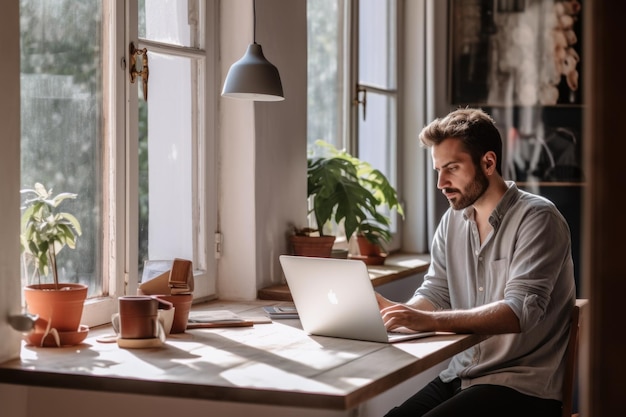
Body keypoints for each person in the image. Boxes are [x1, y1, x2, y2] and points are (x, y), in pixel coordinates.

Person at [377, 108, 576, 417]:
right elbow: (436, 294)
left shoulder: (539, 219)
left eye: (452, 168)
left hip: (522, 385)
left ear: (488, 162)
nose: (441, 182)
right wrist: (393, 312)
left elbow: (519, 312)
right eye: (438, 170)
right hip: (462, 375)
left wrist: (428, 322)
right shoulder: (452, 221)